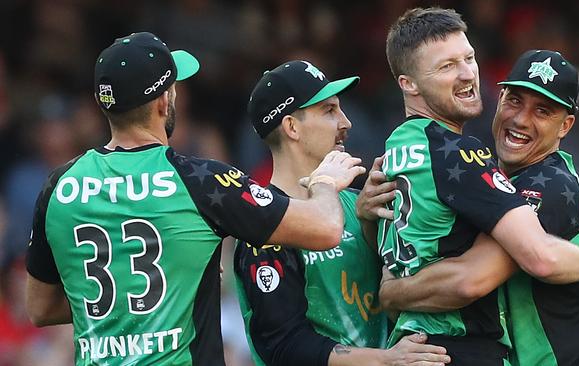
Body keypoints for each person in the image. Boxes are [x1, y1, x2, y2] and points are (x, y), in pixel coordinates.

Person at [24, 32, 367, 366]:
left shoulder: (59, 186)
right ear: (164, 100)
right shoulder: (198, 180)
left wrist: (158, 288)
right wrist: (324, 182)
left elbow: (40, 308)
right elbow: (325, 228)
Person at [374, 7, 579, 366]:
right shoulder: (468, 168)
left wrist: (391, 292)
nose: (521, 119)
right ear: (500, 97)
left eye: (542, 111)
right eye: (515, 100)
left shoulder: (548, 187)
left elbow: (472, 278)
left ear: (566, 126)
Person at [233, 60, 451, 366]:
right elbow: (284, 346)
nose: (346, 123)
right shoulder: (266, 225)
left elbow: (401, 289)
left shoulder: (359, 203)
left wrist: (368, 225)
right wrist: (387, 360)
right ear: (292, 127)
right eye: (329, 110)